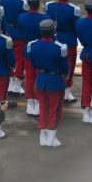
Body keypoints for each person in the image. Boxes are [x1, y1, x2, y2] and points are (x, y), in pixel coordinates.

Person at [27, 18, 68, 148]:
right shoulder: (59, 47)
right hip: (55, 81)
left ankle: (43, 137)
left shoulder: (33, 45)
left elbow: (33, 64)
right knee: (54, 110)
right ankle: (51, 139)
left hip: (41, 80)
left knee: (43, 108)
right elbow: (64, 68)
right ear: (53, 31)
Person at [44, 0, 81, 102]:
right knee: (69, 66)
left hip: (53, 38)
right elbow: (77, 27)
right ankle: (66, 92)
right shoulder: (73, 9)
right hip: (69, 40)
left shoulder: (49, 6)